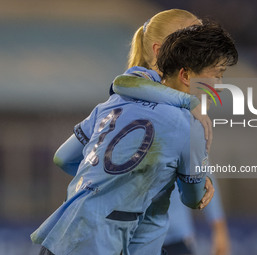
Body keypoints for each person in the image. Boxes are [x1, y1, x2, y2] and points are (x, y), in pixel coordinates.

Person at [30, 22, 237, 255]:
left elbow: (63, 158)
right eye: (217, 76)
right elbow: (193, 198)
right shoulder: (189, 125)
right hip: (102, 245)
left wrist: (105, 180)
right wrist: (200, 183)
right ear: (185, 74)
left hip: (61, 238)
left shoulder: (114, 101)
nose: (219, 86)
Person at [111, 9, 236, 255]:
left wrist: (219, 226)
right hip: (130, 239)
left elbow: (202, 167)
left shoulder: (181, 106)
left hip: (172, 236)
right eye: (193, 39)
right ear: (160, 51)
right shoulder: (130, 102)